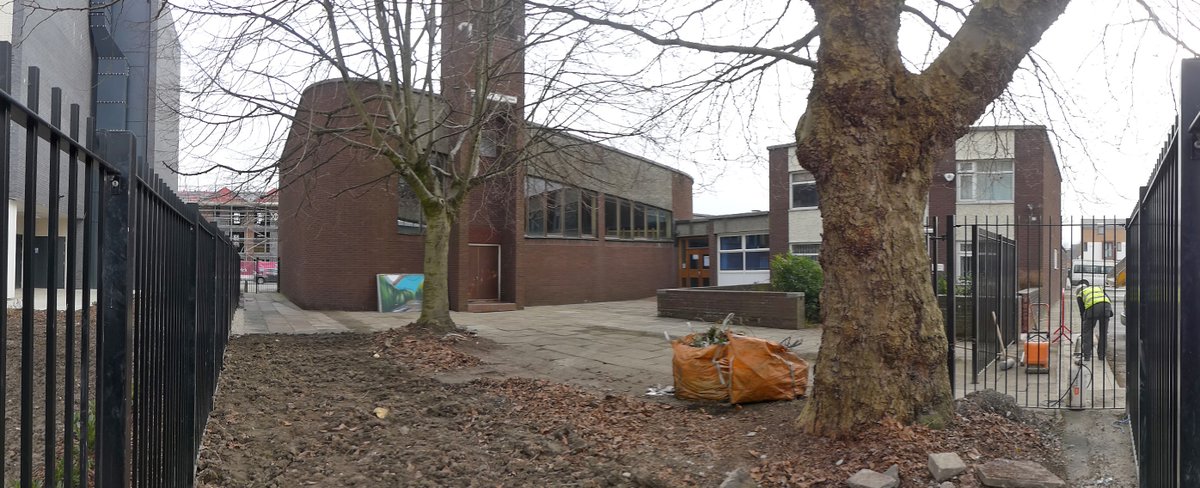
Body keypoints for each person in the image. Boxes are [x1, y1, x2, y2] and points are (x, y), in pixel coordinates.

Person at [1075, 280, 1114, 362]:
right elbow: (1108, 299)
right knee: (1103, 333)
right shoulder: (1097, 288)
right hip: (1106, 308)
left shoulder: (1080, 294)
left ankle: (1087, 356)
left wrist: (1084, 326)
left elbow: (1082, 312)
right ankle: (1101, 356)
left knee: (1087, 332)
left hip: (1093, 309)